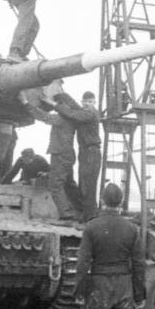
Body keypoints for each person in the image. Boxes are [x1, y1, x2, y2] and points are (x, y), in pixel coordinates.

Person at [19, 90, 82, 220]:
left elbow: (42, 116)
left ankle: (66, 214)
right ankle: (79, 209)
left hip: (60, 155)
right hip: (68, 155)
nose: (56, 106)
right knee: (69, 184)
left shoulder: (61, 119)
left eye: (59, 104)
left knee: (55, 185)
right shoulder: (71, 119)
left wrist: (25, 102)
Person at [55, 91, 102, 221]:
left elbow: (72, 113)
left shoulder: (90, 113)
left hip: (91, 152)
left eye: (90, 102)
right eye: (85, 101)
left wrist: (55, 104)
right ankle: (88, 214)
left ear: (94, 103)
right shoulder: (84, 112)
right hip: (86, 152)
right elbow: (75, 107)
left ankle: (90, 216)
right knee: (84, 184)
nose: (87, 104)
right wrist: (62, 95)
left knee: (88, 185)